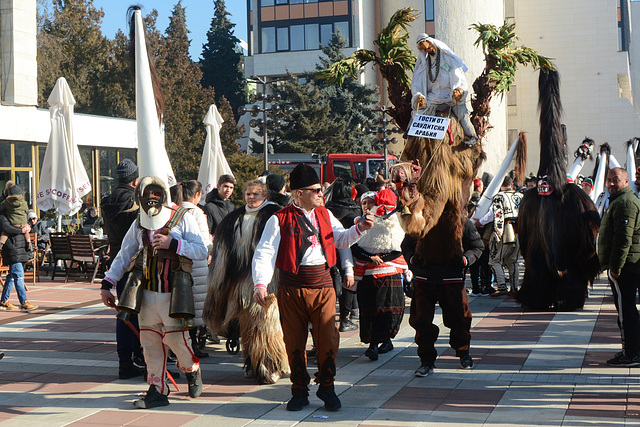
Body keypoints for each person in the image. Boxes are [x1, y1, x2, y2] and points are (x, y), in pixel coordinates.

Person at [252, 164, 374, 412]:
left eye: (321, 189)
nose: (321, 193)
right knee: (294, 342)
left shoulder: (325, 215)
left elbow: (341, 239)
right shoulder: (278, 219)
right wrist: (260, 283)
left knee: (328, 339)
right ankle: (299, 391)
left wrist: (360, 228)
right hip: (292, 288)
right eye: (316, 190)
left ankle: (327, 388)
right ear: (299, 193)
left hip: (323, 286)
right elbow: (264, 253)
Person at [100, 176, 208, 408]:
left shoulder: (183, 218)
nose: (151, 200)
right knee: (149, 344)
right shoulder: (139, 221)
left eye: (155, 195)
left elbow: (201, 250)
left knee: (178, 341)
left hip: (175, 292)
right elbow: (125, 253)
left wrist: (174, 245)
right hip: (147, 291)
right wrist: (107, 283)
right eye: (146, 196)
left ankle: (192, 369)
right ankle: (157, 389)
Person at [204, 180, 289, 384]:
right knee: (249, 326)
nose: (251, 197)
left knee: (268, 325)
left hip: (269, 281)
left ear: (265, 195)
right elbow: (222, 253)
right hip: (241, 284)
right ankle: (253, 362)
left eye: (256, 194)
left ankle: (271, 365)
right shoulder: (234, 218)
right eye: (248, 194)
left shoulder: (276, 215)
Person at [403, 217, 483, 376]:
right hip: (424, 279)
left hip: (452, 279)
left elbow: (477, 246)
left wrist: (464, 260)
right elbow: (406, 245)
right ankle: (426, 360)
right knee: (421, 321)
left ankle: (463, 352)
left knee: (460, 318)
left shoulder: (461, 221)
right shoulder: (420, 220)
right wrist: (413, 259)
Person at [100, 158, 145, 380]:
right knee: (139, 313)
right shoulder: (136, 202)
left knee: (126, 312)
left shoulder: (107, 200)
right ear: (135, 181)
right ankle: (134, 359)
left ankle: (127, 360)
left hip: (116, 258)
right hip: (135, 261)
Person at [352, 189, 410, 360]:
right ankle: (374, 343)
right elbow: (354, 245)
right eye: (364, 203)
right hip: (368, 273)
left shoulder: (391, 221)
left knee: (386, 309)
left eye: (370, 203)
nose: (367, 206)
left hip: (389, 272)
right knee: (370, 309)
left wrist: (381, 258)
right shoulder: (358, 223)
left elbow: (397, 246)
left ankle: (380, 343)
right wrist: (370, 257)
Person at [598, 168, 640, 367]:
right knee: (628, 310)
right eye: (609, 180)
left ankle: (631, 354)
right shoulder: (620, 200)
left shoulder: (625, 203)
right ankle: (631, 350)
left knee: (626, 312)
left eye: (616, 180)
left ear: (626, 181)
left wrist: (615, 267)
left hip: (626, 268)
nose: (612, 183)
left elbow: (624, 239)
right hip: (627, 266)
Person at [411, 33, 478, 147]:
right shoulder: (425, 63)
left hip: (449, 95)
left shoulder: (447, 58)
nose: (428, 50)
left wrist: (458, 90)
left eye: (428, 47)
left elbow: (457, 75)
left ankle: (472, 136)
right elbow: (417, 83)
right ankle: (411, 137)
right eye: (425, 50)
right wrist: (419, 96)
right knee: (418, 113)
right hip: (433, 97)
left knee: (461, 113)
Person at [179, 180, 213, 359]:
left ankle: (185, 346)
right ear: (197, 195)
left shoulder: (174, 211)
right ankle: (192, 347)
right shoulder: (197, 213)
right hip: (197, 266)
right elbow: (204, 243)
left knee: (182, 307)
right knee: (193, 309)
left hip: (180, 266)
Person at [476, 176, 522, 296]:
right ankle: (514, 288)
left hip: (504, 231)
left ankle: (501, 286)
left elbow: (495, 215)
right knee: (513, 261)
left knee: (494, 260)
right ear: (511, 184)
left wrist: (481, 223)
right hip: (519, 232)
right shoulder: (520, 196)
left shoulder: (499, 197)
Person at [325, 178, 361, 332]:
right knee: (348, 285)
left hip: (328, 254)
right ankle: (345, 318)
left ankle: (329, 317)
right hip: (349, 253)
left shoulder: (327, 210)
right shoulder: (354, 212)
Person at [0, 212, 37, 311]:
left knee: (12, 276)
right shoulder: (3, 215)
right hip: (12, 248)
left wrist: (27, 227)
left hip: (19, 247)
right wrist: (22, 229)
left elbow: (23, 225)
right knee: (19, 275)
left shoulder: (17, 214)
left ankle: (3, 301)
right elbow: (7, 228)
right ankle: (24, 301)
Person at [0, 181, 30, 251]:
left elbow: (1, 207)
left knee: (5, 233)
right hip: (23, 223)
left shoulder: (6, 202)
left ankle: (1, 244)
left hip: (13, 223)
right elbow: (26, 210)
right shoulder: (24, 203)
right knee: (26, 232)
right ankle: (29, 243)